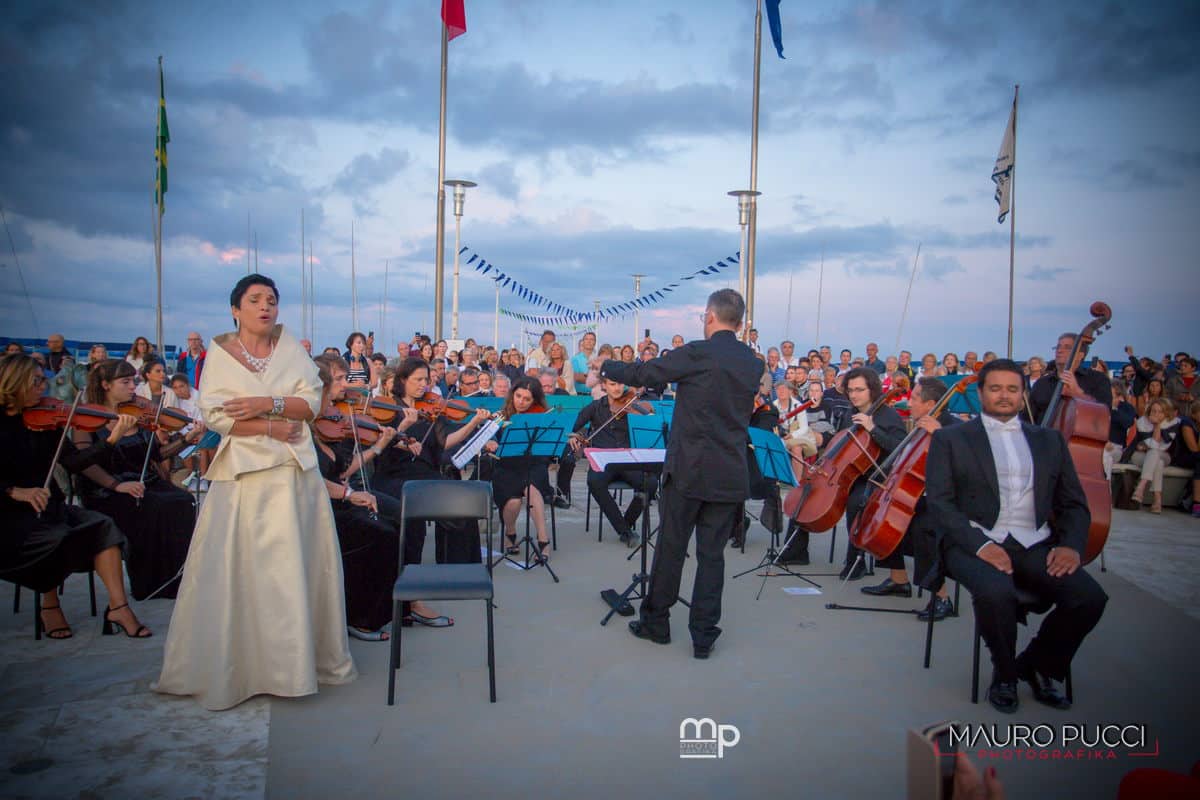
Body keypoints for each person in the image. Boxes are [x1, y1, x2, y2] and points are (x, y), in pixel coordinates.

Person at [155, 273, 357, 710]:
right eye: (255, 299)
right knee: (243, 568)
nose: (265, 306)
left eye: (271, 299)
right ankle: (243, 665)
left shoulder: (291, 349)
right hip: (245, 473)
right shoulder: (221, 355)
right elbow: (217, 415)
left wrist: (269, 403)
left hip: (293, 474)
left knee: (294, 567)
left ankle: (294, 664)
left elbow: (309, 403)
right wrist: (270, 427)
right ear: (236, 309)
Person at [925, 358, 1107, 713]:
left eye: (1012, 389)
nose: (1004, 396)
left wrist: (1070, 545)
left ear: (1023, 394)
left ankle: (1039, 664)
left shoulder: (1050, 440)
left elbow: (1073, 503)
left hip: (1034, 542)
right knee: (995, 592)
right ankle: (1005, 674)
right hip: (972, 542)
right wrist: (981, 546)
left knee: (1089, 597)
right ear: (981, 394)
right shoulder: (950, 439)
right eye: (995, 388)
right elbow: (940, 504)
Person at [602, 289, 762, 659]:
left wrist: (610, 367)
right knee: (713, 556)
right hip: (728, 472)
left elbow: (646, 373)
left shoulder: (699, 353)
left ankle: (656, 623)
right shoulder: (753, 364)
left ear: (709, 317)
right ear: (739, 322)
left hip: (689, 469)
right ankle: (703, 637)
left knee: (671, 548)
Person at [0, 353, 152, 640]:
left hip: (49, 505)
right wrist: (14, 491)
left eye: (42, 381)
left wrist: (110, 440)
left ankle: (119, 608)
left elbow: (76, 463)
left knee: (104, 526)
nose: (42, 388)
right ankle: (50, 603)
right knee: (55, 536)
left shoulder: (44, 420)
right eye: (36, 382)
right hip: (9, 515)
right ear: (15, 382)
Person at [74, 359, 199, 600]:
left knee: (183, 500)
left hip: (143, 482)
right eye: (126, 382)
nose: (133, 387)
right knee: (155, 506)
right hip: (107, 490)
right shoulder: (87, 418)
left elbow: (156, 455)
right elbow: (84, 463)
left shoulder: (136, 414)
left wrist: (186, 439)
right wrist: (116, 485)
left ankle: (175, 578)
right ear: (106, 385)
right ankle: (148, 583)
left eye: (134, 381)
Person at [310, 353, 406, 642]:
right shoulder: (305, 426)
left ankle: (390, 605)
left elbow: (343, 471)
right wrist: (351, 493)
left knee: (396, 520)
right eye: (339, 379)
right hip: (320, 508)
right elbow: (312, 481)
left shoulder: (331, 421)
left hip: (339, 498)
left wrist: (380, 443)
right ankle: (358, 615)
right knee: (381, 533)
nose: (346, 386)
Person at [857, 377, 959, 621]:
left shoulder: (953, 427)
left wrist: (942, 435)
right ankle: (898, 580)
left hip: (946, 499)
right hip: (919, 492)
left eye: (914, 398)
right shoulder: (921, 423)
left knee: (922, 527)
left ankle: (942, 597)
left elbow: (966, 462)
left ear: (931, 403)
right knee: (885, 518)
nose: (909, 402)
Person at [568, 376, 659, 545]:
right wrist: (575, 436)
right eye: (612, 384)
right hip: (603, 460)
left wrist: (648, 415)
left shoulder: (631, 405)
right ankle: (625, 530)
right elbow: (575, 426)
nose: (617, 388)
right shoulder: (595, 407)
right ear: (604, 386)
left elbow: (651, 421)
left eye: (620, 383)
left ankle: (625, 523)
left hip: (628, 459)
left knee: (651, 483)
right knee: (594, 481)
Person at [483, 377, 554, 561]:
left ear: (535, 401)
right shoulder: (500, 416)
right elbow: (487, 438)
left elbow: (548, 447)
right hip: (506, 467)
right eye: (518, 396)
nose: (521, 402)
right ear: (512, 394)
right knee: (513, 502)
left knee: (532, 490)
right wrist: (490, 441)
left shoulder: (542, 417)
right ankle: (510, 532)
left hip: (533, 465)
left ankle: (543, 540)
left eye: (527, 399)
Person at [1028, 333, 1112, 423]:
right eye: (1058, 347)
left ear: (1081, 355)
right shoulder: (1041, 383)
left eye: (1067, 347)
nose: (1059, 350)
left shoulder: (1097, 379)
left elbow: (1104, 413)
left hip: (1078, 435)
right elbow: (1028, 419)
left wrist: (1078, 393)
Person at [1124, 398, 1178, 513]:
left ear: (1166, 413)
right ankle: (1157, 500)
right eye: (1153, 411)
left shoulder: (1172, 423)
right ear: (1149, 411)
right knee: (1157, 461)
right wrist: (1147, 446)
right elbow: (1153, 446)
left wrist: (1157, 425)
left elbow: (1157, 447)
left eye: (1160, 412)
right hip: (1140, 456)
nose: (1156, 414)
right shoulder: (1142, 422)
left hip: (1164, 455)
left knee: (1155, 454)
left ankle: (1140, 488)